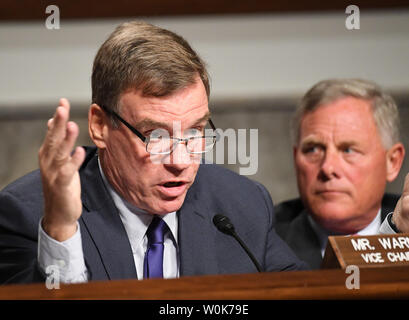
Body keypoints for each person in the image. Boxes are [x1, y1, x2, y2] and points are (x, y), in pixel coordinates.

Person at [0, 21, 306, 284]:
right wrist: (62, 232)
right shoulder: (30, 215)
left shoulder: (243, 205)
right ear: (100, 125)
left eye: (193, 132)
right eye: (156, 137)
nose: (181, 161)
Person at [274, 78, 406, 269]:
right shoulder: (260, 240)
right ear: (296, 158)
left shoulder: (404, 226)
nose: (328, 168)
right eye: (313, 149)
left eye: (348, 150)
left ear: (392, 162)